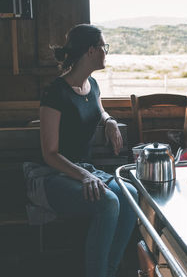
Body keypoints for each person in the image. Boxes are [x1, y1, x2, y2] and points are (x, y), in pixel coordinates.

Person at [30, 24, 138, 277]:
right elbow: (50, 153)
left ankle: (108, 270)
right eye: (103, 47)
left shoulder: (93, 85)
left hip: (83, 170)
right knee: (109, 202)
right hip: (52, 176)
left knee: (130, 195)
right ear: (91, 51)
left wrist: (109, 121)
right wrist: (86, 176)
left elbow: (99, 109)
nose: (106, 52)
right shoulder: (55, 93)